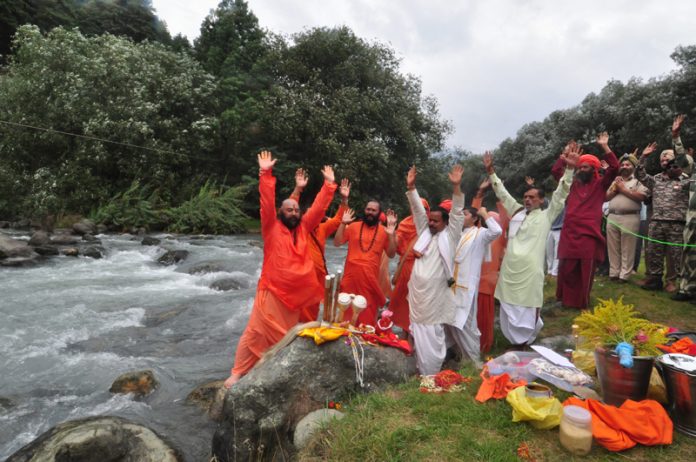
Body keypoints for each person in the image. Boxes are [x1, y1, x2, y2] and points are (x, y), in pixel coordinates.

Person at [224, 151, 337, 388]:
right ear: (281, 213)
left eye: (296, 210)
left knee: (287, 335)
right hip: (272, 292)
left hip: (296, 297)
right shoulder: (270, 228)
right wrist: (266, 172)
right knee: (255, 333)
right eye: (289, 210)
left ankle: (272, 371)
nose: (294, 213)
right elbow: (266, 201)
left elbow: (316, 210)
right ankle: (237, 373)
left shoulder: (304, 228)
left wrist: (328, 185)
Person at [484, 147, 576, 346]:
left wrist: (569, 169)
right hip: (510, 270)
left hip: (530, 272)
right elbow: (503, 193)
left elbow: (560, 194)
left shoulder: (546, 216)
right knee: (508, 306)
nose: (527, 199)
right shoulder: (516, 212)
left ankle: (526, 342)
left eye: (532, 197)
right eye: (525, 197)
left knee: (528, 307)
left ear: (541, 200)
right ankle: (512, 342)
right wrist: (491, 172)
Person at [404, 164, 465, 375]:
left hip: (435, 297)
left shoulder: (450, 236)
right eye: (430, 220)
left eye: (435, 221)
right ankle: (422, 369)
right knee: (419, 331)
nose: (430, 223)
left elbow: (457, 212)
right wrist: (411, 188)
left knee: (431, 332)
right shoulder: (425, 234)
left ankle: (430, 372)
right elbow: (419, 212)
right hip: (418, 297)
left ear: (446, 223)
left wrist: (456, 187)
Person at [553, 133, 619, 309]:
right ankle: (563, 299)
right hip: (569, 232)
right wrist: (565, 157)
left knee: (584, 270)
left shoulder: (601, 185)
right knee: (566, 268)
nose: (581, 170)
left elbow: (614, 168)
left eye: (586, 167)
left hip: (589, 235)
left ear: (594, 169)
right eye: (580, 167)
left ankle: (581, 302)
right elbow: (556, 172)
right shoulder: (571, 184)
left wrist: (605, 147)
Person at [289, 169, 351, 322]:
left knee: (313, 308)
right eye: (310, 214)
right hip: (300, 274)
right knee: (297, 309)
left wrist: (344, 200)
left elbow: (337, 220)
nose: (313, 216)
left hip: (318, 276)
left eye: (315, 215)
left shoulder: (322, 228)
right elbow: (290, 209)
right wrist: (298, 189)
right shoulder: (298, 227)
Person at [635, 135, 690, 292]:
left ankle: (676, 283)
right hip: (657, 221)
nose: (666, 163)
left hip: (677, 223)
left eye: (669, 161)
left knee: (676, 255)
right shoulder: (656, 179)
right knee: (653, 252)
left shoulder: (685, 180)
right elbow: (639, 175)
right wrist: (644, 157)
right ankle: (654, 280)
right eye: (663, 161)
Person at [450, 205, 502, 366]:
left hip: (467, 287)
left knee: (466, 323)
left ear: (474, 218)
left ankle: (473, 360)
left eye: (464, 214)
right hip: (452, 286)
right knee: (452, 322)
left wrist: (485, 213)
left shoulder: (480, 234)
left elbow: (496, 231)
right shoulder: (456, 234)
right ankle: (462, 356)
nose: (461, 217)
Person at [334, 200, 397, 326]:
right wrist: (342, 223)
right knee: (345, 310)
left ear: (379, 213)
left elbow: (391, 254)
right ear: (365, 210)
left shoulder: (385, 231)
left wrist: (391, 235)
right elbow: (337, 242)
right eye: (368, 209)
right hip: (350, 278)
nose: (370, 212)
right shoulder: (353, 226)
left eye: (374, 210)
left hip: (370, 280)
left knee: (366, 314)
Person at [471, 178, 510, 354]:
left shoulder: (500, 237)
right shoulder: (477, 234)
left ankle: (484, 347)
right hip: (471, 283)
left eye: (491, 221)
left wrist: (497, 190)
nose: (487, 223)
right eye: (485, 221)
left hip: (487, 285)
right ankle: (469, 347)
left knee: (485, 320)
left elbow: (505, 217)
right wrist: (479, 193)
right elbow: (475, 212)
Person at [605, 152, 648, 282]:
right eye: (622, 164)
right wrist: (615, 189)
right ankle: (614, 272)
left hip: (630, 217)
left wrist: (623, 190)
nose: (624, 166)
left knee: (627, 247)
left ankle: (624, 275)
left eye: (628, 164)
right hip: (612, 216)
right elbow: (606, 197)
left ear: (633, 166)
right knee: (613, 246)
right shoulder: (615, 180)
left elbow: (642, 197)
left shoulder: (639, 181)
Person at [390, 198, 430, 332]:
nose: (419, 211)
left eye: (423, 209)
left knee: (414, 303)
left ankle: (410, 333)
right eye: (417, 207)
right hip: (405, 268)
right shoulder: (405, 223)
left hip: (421, 269)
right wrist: (392, 234)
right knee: (401, 301)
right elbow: (397, 245)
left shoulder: (431, 227)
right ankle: (399, 329)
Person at [668, 115, 696, 302]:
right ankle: (686, 289)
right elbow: (682, 159)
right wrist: (676, 136)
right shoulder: (693, 170)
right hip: (692, 221)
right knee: (689, 254)